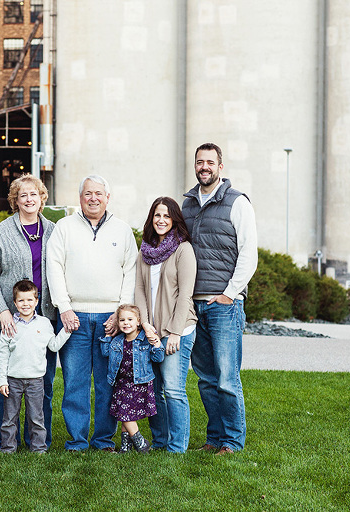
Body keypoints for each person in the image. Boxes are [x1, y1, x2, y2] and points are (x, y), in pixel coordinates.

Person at [46, 174, 138, 452]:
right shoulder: (64, 227)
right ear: (80, 198)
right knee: (74, 381)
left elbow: (130, 272)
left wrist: (120, 313)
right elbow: (54, 268)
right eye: (88, 193)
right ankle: (76, 440)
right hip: (74, 318)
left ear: (108, 198)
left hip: (110, 318)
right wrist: (64, 307)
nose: (93, 198)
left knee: (107, 382)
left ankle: (103, 440)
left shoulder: (122, 230)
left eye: (99, 193)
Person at [181, 142, 258, 455]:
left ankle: (233, 441)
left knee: (227, 377)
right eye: (200, 162)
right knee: (206, 379)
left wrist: (230, 293)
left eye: (210, 162)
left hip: (224, 304)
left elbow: (248, 253)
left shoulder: (237, 203)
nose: (204, 167)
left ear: (220, 167)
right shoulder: (186, 205)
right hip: (192, 305)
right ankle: (214, 439)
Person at [0, 175, 57, 449]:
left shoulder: (52, 230)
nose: (29, 199)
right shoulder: (2, 231)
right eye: (23, 195)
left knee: (43, 384)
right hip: (6, 322)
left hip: (42, 320)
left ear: (42, 198)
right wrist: (2, 311)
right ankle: (7, 442)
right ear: (15, 200)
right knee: (6, 385)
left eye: (34, 194)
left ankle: (39, 441)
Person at [135, 197, 197, 453]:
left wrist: (175, 332)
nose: (161, 220)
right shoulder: (145, 250)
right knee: (154, 391)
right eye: (157, 215)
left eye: (166, 216)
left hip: (178, 330)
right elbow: (138, 288)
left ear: (174, 220)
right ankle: (160, 441)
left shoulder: (183, 250)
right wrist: (145, 324)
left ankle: (177, 446)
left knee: (173, 390)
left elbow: (185, 294)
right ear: (151, 219)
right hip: (151, 331)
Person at [0, 280, 71, 454]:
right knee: (9, 417)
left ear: (36, 301)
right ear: (15, 303)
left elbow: (53, 345)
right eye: (21, 301)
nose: (26, 304)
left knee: (36, 417)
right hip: (13, 379)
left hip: (36, 380)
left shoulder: (44, 323)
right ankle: (8, 448)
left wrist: (66, 331)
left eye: (30, 300)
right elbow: (3, 354)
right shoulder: (9, 325)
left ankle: (38, 448)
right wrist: (2, 380)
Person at [101, 304, 164, 453]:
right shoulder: (117, 341)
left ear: (138, 321)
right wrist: (108, 336)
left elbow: (158, 357)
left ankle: (140, 442)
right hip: (122, 382)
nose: (126, 323)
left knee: (126, 413)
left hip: (139, 382)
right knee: (125, 413)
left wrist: (156, 342)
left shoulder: (144, 340)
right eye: (122, 320)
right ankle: (125, 446)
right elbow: (105, 353)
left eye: (130, 319)